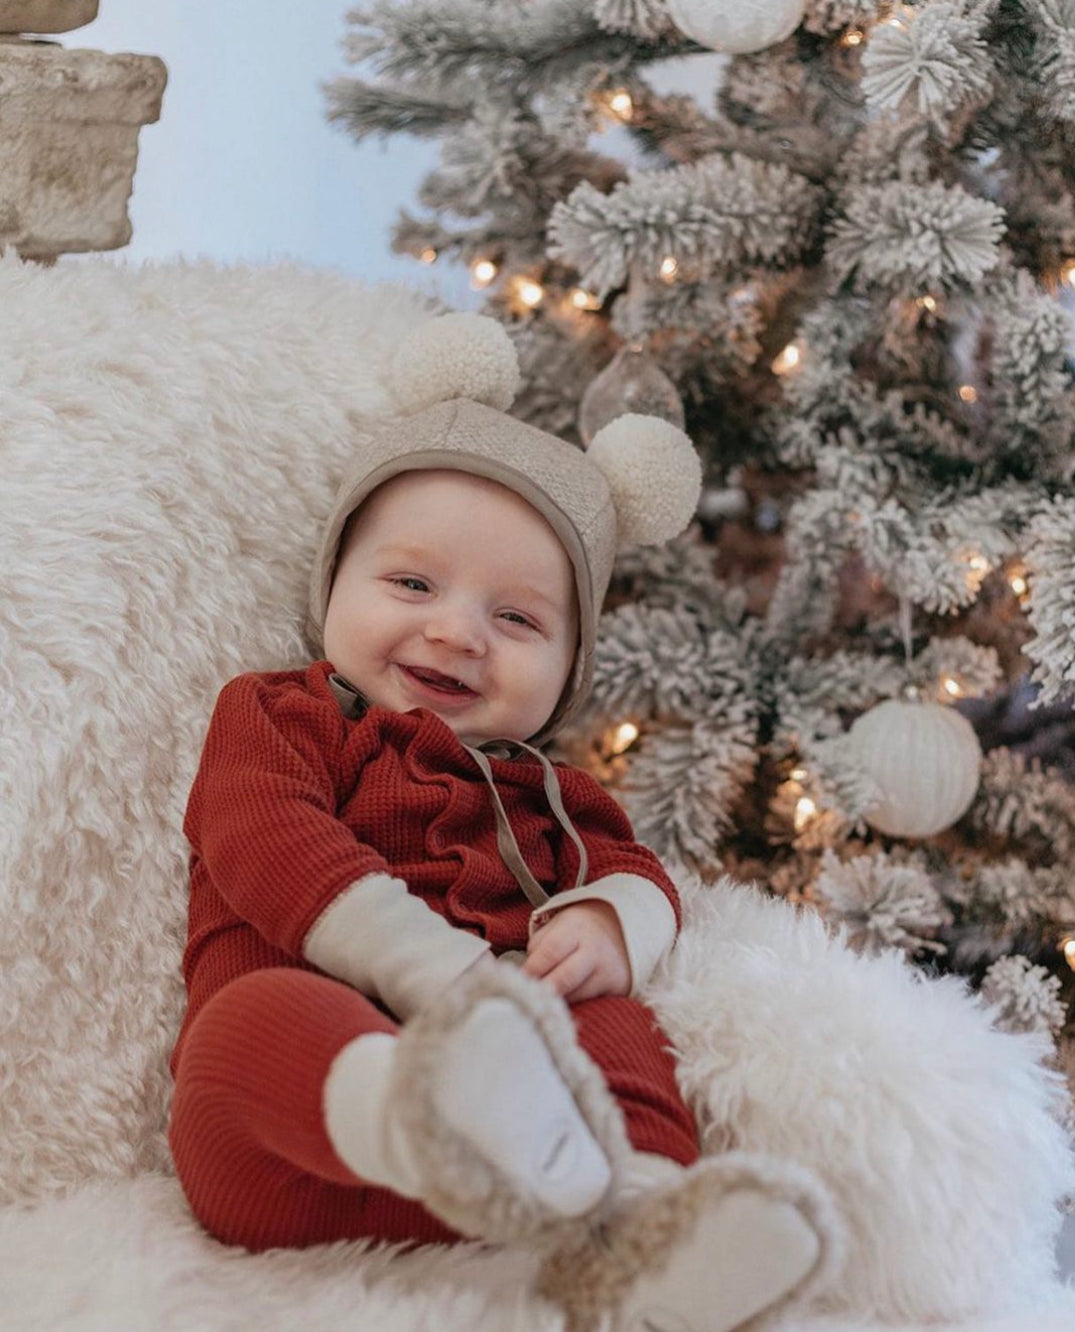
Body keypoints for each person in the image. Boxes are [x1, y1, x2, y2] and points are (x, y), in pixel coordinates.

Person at [168, 313, 843, 1332]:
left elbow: (638, 873)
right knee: (243, 1034)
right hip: (304, 1152)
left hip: (516, 1190)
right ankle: (449, 1116)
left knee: (617, 1026)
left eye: (518, 619)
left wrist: (611, 925)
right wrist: (442, 977)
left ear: (569, 671)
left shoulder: (551, 796)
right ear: (333, 588)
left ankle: (638, 1226)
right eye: (410, 583)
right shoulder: (282, 714)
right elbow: (263, 839)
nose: (455, 631)